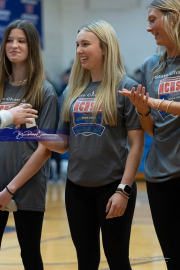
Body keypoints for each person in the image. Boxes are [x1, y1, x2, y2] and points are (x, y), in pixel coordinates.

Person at [37, 20, 144, 270]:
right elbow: (62, 144)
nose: (79, 51)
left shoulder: (126, 87)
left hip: (112, 188)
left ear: (104, 48)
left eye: (85, 44)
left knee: (118, 260)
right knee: (85, 262)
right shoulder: (71, 91)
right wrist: (33, 132)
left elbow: (137, 146)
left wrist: (123, 190)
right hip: (76, 189)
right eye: (77, 45)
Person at [119, 1, 180, 269]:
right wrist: (143, 110)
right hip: (159, 173)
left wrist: (155, 103)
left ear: (173, 17)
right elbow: (152, 129)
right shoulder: (150, 65)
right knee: (171, 257)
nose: (148, 28)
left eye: (153, 20)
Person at [0, 20, 59, 270]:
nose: (14, 45)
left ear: (32, 47)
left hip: (28, 185)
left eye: (21, 41)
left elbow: (45, 149)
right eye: (9, 40)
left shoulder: (45, 92)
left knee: (30, 255)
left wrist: (10, 190)